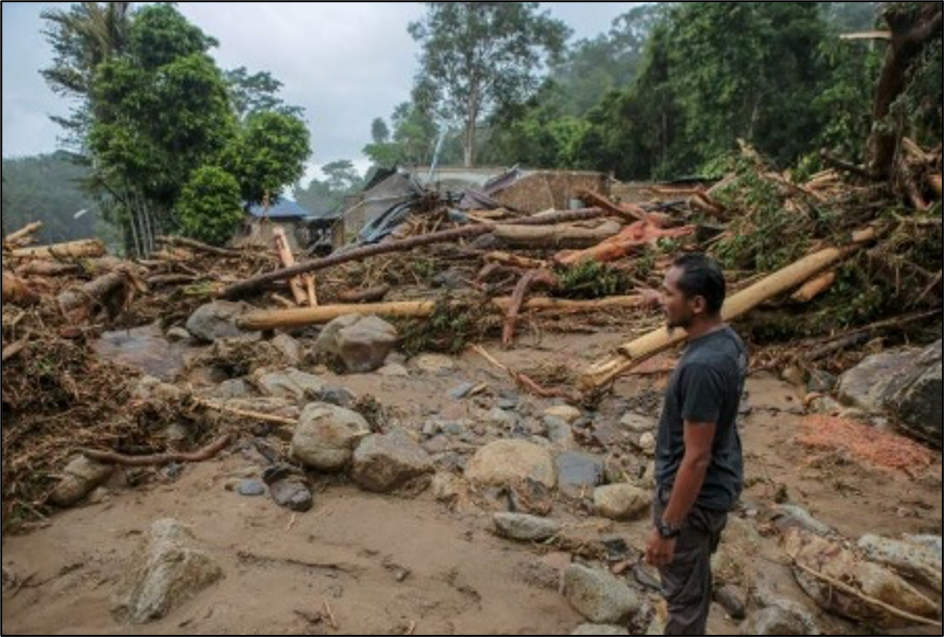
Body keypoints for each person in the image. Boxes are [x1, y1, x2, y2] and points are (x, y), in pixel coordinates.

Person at [643, 253, 748, 635]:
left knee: (683, 605)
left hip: (693, 501)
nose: (661, 299)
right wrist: (660, 300)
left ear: (697, 304)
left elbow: (696, 458)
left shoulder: (701, 367)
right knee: (694, 584)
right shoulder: (728, 341)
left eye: (668, 293)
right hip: (721, 484)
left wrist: (668, 528)